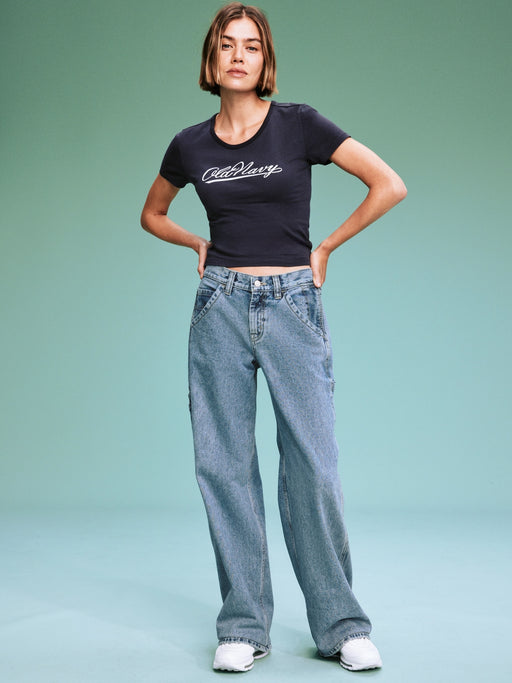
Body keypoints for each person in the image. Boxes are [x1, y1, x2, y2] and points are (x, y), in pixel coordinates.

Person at [141, 1, 406, 673]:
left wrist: (326, 248)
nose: (239, 55)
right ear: (211, 58)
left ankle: (341, 625)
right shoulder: (189, 145)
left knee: (313, 465)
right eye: (227, 44)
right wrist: (194, 242)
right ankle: (242, 624)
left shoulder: (299, 124)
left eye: (251, 45)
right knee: (223, 465)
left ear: (266, 61)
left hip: (292, 303)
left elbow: (388, 184)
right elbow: (152, 214)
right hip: (219, 307)